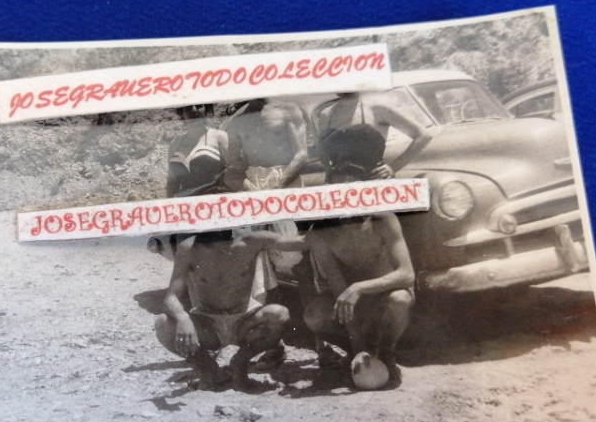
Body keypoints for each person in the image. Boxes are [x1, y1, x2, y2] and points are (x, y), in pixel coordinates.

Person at [303, 124, 416, 387]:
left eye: (351, 191)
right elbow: (339, 290)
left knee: (400, 300)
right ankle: (359, 351)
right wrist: (358, 348)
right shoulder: (324, 232)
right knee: (313, 315)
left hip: (385, 295)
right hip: (353, 302)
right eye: (338, 191)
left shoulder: (383, 218)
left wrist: (359, 287)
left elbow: (407, 274)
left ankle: (387, 352)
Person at [154, 228, 291, 391]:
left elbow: (302, 242)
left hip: (244, 319)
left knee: (279, 314)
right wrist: (182, 318)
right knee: (163, 324)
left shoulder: (251, 241)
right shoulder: (189, 247)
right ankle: (210, 369)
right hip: (208, 322)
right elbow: (170, 297)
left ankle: (240, 362)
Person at [316, 87, 432, 178]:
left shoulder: (377, 108)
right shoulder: (326, 115)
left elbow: (423, 135)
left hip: (375, 181)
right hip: (341, 185)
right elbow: (322, 153)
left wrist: (393, 167)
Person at [223, 98, 310, 190]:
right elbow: (233, 165)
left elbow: (301, 155)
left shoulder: (288, 109)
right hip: (254, 183)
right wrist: (252, 190)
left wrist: (279, 186)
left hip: (289, 180)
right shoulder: (237, 121)